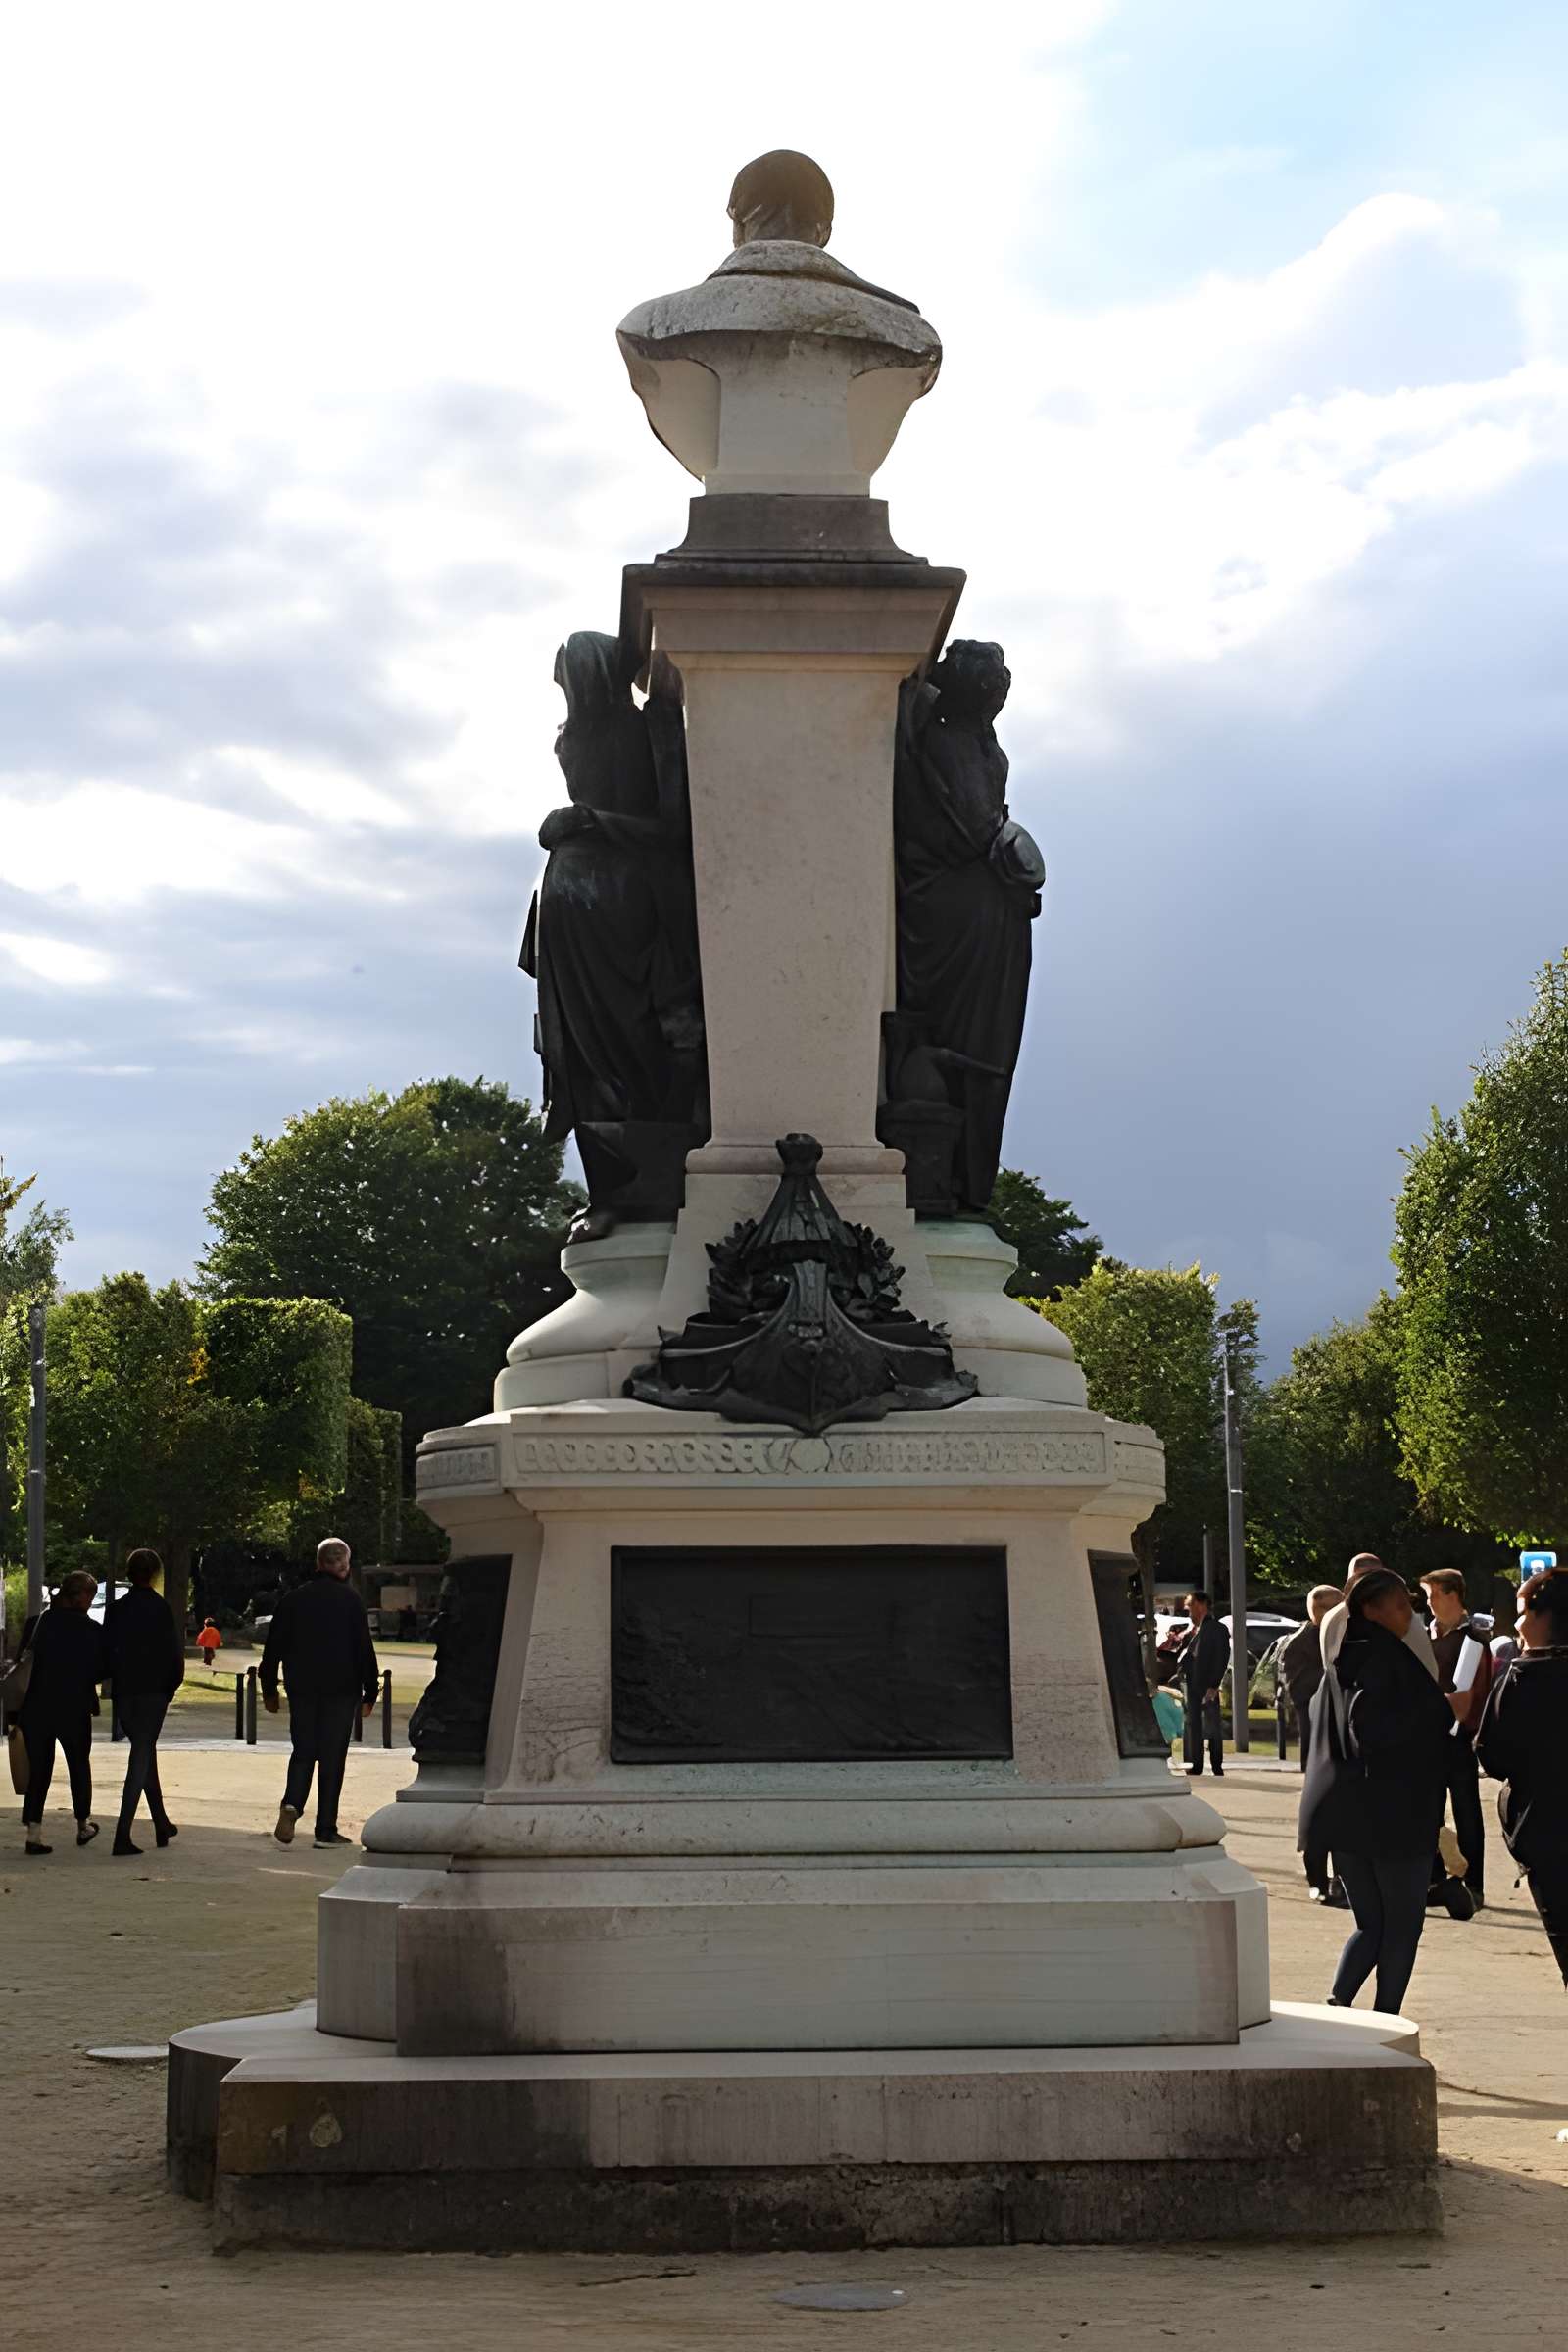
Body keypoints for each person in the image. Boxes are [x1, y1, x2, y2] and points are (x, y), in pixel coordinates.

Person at [1300, 1565, 1453, 2014]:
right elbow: (1374, 1732)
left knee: (1371, 1923)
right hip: (1394, 1814)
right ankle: (1385, 2017)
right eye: (1401, 1606)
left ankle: (1338, 2003)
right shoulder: (1388, 1660)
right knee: (1403, 1925)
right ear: (1371, 1610)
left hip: (1344, 1815)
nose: (1410, 1615)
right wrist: (1441, 1716)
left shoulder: (1338, 1660)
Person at [1477, 1567, 1568, 1985]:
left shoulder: (1524, 1678)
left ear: (1548, 1616)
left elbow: (1493, 1755)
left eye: (1524, 1612)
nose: (1516, 1624)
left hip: (1548, 1834)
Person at [261, 1537, 380, 1850]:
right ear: (344, 1565)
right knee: (332, 1757)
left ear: (318, 1563)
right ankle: (325, 1829)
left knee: (303, 1750)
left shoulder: (294, 1599)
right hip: (341, 1688)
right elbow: (363, 1650)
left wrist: (269, 1687)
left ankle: (292, 1803)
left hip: (302, 1686)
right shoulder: (352, 1601)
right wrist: (371, 1691)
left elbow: (273, 1648)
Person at [17, 1570, 106, 1855]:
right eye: (88, 1596)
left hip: (36, 1707)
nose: (90, 1602)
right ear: (76, 1596)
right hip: (74, 1707)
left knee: (39, 1769)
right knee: (79, 1763)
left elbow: (22, 1663)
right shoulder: (91, 1630)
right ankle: (83, 1823)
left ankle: (34, 1832)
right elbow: (101, 1669)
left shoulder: (37, 1624)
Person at [103, 1547, 183, 1856]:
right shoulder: (160, 1608)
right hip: (153, 1690)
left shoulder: (116, 1609)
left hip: (126, 1689)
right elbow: (172, 1651)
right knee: (141, 1754)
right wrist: (171, 1685)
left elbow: (107, 1651)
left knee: (144, 1749)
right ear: (154, 1574)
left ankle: (161, 1822)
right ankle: (122, 1833)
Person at [1419, 1569, 1492, 1911]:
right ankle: (1434, 1880)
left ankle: (1472, 1884)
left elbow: (1467, 1698)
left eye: (1433, 1594)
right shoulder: (1424, 1635)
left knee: (1466, 1812)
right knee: (1428, 1812)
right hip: (1427, 1739)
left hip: (1457, 1739)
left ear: (1452, 1595)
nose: (1429, 1602)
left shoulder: (1473, 1638)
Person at [1281, 1584, 1346, 1905]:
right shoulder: (1299, 1645)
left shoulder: (1344, 1639)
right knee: (1318, 1815)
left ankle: (1343, 1878)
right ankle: (1317, 1877)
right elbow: (1300, 1693)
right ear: (1319, 1611)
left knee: (1344, 1814)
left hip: (1344, 1739)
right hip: (1318, 1742)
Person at [1175, 1592, 1230, 1779]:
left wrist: (1213, 1685)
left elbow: (1221, 1658)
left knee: (1212, 1726)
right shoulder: (1196, 1631)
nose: (1188, 1611)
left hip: (1206, 1685)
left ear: (1201, 1605)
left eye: (1190, 1606)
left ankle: (1216, 1765)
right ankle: (1196, 1763)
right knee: (1194, 1725)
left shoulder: (1216, 1629)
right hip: (1193, 1684)